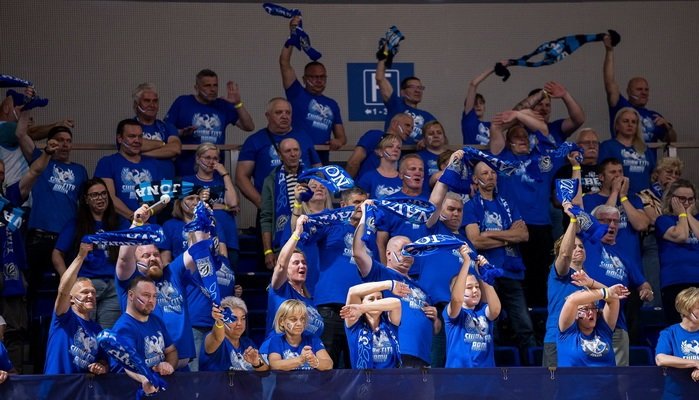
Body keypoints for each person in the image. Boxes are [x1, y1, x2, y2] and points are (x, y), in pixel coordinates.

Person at [116, 204, 210, 368]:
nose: (153, 258)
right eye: (146, 256)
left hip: (182, 367)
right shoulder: (130, 281)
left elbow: (197, 252)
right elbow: (124, 259)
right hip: (149, 368)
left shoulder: (172, 272)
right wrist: (136, 225)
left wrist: (202, 219)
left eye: (156, 254)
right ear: (135, 261)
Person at [353, 200, 441, 368]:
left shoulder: (422, 288)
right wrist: (365, 215)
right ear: (388, 254)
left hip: (422, 357)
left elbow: (436, 329)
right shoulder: (380, 274)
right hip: (395, 353)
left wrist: (435, 318)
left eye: (411, 251)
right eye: (403, 250)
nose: (407, 255)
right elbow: (358, 252)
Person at [490, 109, 563, 307]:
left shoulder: (541, 159)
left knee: (540, 275)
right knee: (514, 276)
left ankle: (539, 318)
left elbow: (543, 130)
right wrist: (516, 118)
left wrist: (518, 114)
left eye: (525, 136)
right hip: (513, 227)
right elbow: (495, 128)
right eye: (516, 136)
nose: (522, 139)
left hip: (540, 226)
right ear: (508, 142)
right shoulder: (503, 158)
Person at [463, 161, 536, 357]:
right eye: (484, 173)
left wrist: (490, 234)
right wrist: (508, 236)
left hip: (511, 272)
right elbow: (476, 241)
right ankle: (490, 369)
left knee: (524, 325)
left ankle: (533, 369)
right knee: (490, 326)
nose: (490, 176)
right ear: (475, 179)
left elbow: (524, 235)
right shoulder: (470, 206)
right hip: (486, 275)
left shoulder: (508, 203)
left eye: (493, 173)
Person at [158, 191, 232, 371]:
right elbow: (192, 249)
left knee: (216, 374)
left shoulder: (219, 258)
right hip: (195, 319)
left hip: (217, 320)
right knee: (195, 376)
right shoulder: (174, 230)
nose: (195, 201)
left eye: (198, 199)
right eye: (190, 198)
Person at [24, 125, 88, 317]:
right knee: (32, 288)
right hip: (39, 237)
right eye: (60, 140)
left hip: (66, 240)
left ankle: (68, 327)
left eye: (68, 141)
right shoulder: (41, 161)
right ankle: (32, 330)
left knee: (68, 288)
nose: (65, 144)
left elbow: (84, 205)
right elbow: (21, 133)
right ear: (51, 143)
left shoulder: (80, 170)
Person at [302, 188, 368, 368]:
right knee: (324, 368)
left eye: (364, 202)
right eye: (357, 202)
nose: (361, 207)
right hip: (329, 309)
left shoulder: (369, 234)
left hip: (359, 312)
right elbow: (305, 231)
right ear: (343, 205)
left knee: (356, 370)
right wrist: (300, 206)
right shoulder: (332, 225)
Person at [582, 204, 653, 366]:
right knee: (589, 372)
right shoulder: (585, 244)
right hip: (587, 318)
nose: (612, 225)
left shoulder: (625, 255)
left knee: (620, 373)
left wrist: (647, 291)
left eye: (615, 221)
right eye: (606, 221)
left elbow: (643, 284)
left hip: (617, 324)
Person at [52, 178, 121, 329]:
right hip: (87, 285)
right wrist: (69, 282)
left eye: (103, 193)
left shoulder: (117, 223)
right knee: (84, 332)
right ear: (86, 199)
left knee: (108, 335)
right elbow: (57, 254)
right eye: (94, 195)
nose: (100, 198)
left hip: (113, 287)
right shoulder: (75, 224)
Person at [280, 15, 346, 164]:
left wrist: (338, 142)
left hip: (321, 161)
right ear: (304, 79)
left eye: (322, 77)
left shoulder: (332, 104)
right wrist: (292, 34)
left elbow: (342, 137)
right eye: (314, 77)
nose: (319, 80)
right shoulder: (296, 93)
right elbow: (284, 63)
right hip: (297, 160)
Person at [236, 97, 321, 210]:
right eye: (279, 112)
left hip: (306, 204)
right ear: (268, 116)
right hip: (271, 206)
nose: (284, 116)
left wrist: (317, 199)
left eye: (288, 112)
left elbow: (318, 169)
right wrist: (261, 203)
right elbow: (241, 177)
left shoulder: (304, 137)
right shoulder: (254, 141)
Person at [165, 69, 254, 176]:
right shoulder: (183, 102)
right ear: (196, 88)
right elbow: (165, 130)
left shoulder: (223, 105)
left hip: (214, 173)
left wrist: (238, 104)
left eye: (215, 85)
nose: (212, 89)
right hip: (186, 172)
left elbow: (249, 126)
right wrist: (180, 132)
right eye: (207, 86)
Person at [44, 242, 109, 375]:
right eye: (84, 292)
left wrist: (101, 367)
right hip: (56, 385)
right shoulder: (63, 317)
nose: (90, 295)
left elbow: (104, 361)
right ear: (71, 298)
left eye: (93, 292)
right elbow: (63, 290)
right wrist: (81, 256)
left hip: (80, 387)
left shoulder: (97, 330)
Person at [602, 33, 676, 146]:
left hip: (647, 157)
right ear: (629, 91)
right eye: (639, 89)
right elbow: (609, 82)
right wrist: (609, 51)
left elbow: (672, 140)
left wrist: (668, 127)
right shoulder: (621, 106)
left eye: (646, 90)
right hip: (622, 156)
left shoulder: (654, 116)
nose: (644, 93)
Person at [111, 277, 177, 396]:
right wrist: (145, 379)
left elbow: (171, 351)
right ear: (131, 295)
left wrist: (169, 365)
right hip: (131, 392)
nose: (151, 300)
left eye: (154, 296)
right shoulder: (124, 327)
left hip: (157, 390)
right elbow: (128, 363)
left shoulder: (156, 320)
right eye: (146, 295)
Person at [94, 119, 167, 227]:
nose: (137, 140)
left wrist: (147, 214)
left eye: (140, 136)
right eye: (132, 136)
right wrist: (135, 218)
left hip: (149, 227)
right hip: (119, 229)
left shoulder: (154, 164)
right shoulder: (107, 163)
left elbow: (163, 198)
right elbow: (109, 197)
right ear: (120, 138)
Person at [264, 215, 324, 338]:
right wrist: (297, 233)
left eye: (304, 263)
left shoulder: (309, 298)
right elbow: (281, 265)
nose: (302, 265)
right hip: (280, 349)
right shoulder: (280, 289)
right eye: (296, 263)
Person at [182, 142, 240, 265]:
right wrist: (223, 207)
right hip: (202, 238)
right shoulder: (188, 181)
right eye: (207, 157)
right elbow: (187, 208)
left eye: (215, 158)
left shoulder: (222, 181)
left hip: (228, 236)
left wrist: (225, 174)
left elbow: (233, 203)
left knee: (229, 273)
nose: (211, 162)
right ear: (198, 159)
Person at [444, 244, 501, 368]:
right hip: (458, 376)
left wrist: (484, 274)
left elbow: (496, 310)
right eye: (469, 287)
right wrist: (466, 262)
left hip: (486, 376)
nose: (475, 290)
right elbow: (457, 300)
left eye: (477, 287)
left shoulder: (483, 312)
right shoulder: (452, 311)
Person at [655, 180, 699, 324]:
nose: (686, 203)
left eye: (690, 199)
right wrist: (682, 215)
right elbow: (681, 236)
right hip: (675, 281)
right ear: (671, 199)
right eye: (682, 199)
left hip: (697, 278)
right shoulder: (663, 220)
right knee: (679, 326)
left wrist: (688, 215)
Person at [260, 138, 307, 265]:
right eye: (288, 151)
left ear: (300, 152)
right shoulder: (271, 180)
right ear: (280, 155)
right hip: (282, 243)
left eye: (296, 150)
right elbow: (266, 217)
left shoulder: (312, 177)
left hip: (309, 241)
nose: (293, 154)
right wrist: (268, 251)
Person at [375, 47, 437, 144]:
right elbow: (380, 78)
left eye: (420, 88)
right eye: (412, 87)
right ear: (402, 92)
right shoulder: (396, 105)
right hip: (393, 150)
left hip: (417, 153)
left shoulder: (427, 116)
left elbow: (440, 138)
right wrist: (384, 54)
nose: (417, 90)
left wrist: (426, 140)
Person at [557, 283, 627, 367]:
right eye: (585, 309)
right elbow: (572, 300)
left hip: (607, 376)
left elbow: (613, 297)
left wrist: (591, 283)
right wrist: (606, 292)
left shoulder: (604, 330)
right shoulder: (567, 332)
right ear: (575, 313)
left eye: (593, 308)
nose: (591, 312)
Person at [341, 280, 405, 369]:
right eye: (371, 299)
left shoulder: (389, 321)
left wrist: (362, 308)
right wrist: (389, 284)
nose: (376, 302)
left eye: (379, 299)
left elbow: (396, 303)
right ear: (360, 302)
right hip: (364, 377)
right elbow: (352, 291)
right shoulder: (354, 322)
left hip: (393, 377)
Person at [200, 296, 269, 371]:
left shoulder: (247, 343)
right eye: (233, 318)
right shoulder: (213, 338)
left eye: (243, 318)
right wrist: (219, 321)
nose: (239, 323)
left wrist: (257, 363)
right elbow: (217, 338)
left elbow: (265, 369)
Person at [598, 107, 655, 194]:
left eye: (633, 122)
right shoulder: (607, 146)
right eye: (625, 121)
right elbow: (602, 173)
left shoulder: (645, 149)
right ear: (617, 125)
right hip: (619, 195)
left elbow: (653, 174)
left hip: (645, 197)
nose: (630, 124)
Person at [268, 299, 332, 371]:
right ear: (281, 321)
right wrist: (300, 359)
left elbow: (329, 364)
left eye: (302, 319)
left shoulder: (313, 339)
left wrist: (316, 362)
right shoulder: (276, 341)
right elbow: (274, 365)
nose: (299, 323)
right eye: (293, 319)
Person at [513, 82, 585, 145]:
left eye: (547, 105)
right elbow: (513, 114)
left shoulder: (555, 128)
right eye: (539, 104)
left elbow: (578, 120)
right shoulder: (519, 129)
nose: (544, 108)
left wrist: (565, 95)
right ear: (530, 107)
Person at [345, 113, 413, 180]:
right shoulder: (375, 136)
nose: (410, 130)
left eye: (412, 128)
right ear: (394, 124)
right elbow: (353, 162)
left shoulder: (404, 149)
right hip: (364, 185)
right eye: (407, 125)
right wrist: (346, 185)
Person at [131, 83, 181, 171]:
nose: (152, 105)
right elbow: (132, 145)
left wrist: (142, 154)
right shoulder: (128, 127)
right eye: (147, 101)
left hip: (166, 178)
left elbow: (175, 149)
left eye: (155, 101)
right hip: (140, 176)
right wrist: (163, 144)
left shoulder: (167, 126)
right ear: (136, 104)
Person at [655, 287, 699, 381]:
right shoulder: (669, 333)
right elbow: (661, 359)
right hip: (676, 388)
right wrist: (695, 363)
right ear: (686, 309)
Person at [356, 134, 402, 199]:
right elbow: (360, 202)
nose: (396, 149)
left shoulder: (403, 178)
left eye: (398, 147)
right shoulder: (368, 177)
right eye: (390, 146)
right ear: (380, 152)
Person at [461, 65, 496, 146]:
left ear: (484, 107)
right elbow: (473, 84)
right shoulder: (469, 119)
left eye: (481, 103)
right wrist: (494, 68)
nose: (478, 105)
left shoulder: (491, 126)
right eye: (475, 103)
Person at [417, 120, 448, 193]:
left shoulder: (454, 155)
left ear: (444, 137)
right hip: (427, 197)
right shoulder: (418, 158)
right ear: (424, 139)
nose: (435, 136)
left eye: (439, 133)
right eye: (431, 133)